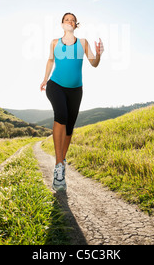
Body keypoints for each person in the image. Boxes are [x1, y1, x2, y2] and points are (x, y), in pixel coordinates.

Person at [40, 13, 104, 191]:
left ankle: (62, 161)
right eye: (66, 19)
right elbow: (50, 60)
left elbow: (94, 63)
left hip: (76, 89)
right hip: (56, 85)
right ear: (62, 24)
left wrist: (98, 54)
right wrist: (45, 79)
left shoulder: (82, 43)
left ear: (76, 25)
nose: (69, 21)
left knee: (69, 127)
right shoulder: (55, 43)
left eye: (72, 20)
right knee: (61, 116)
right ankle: (59, 166)